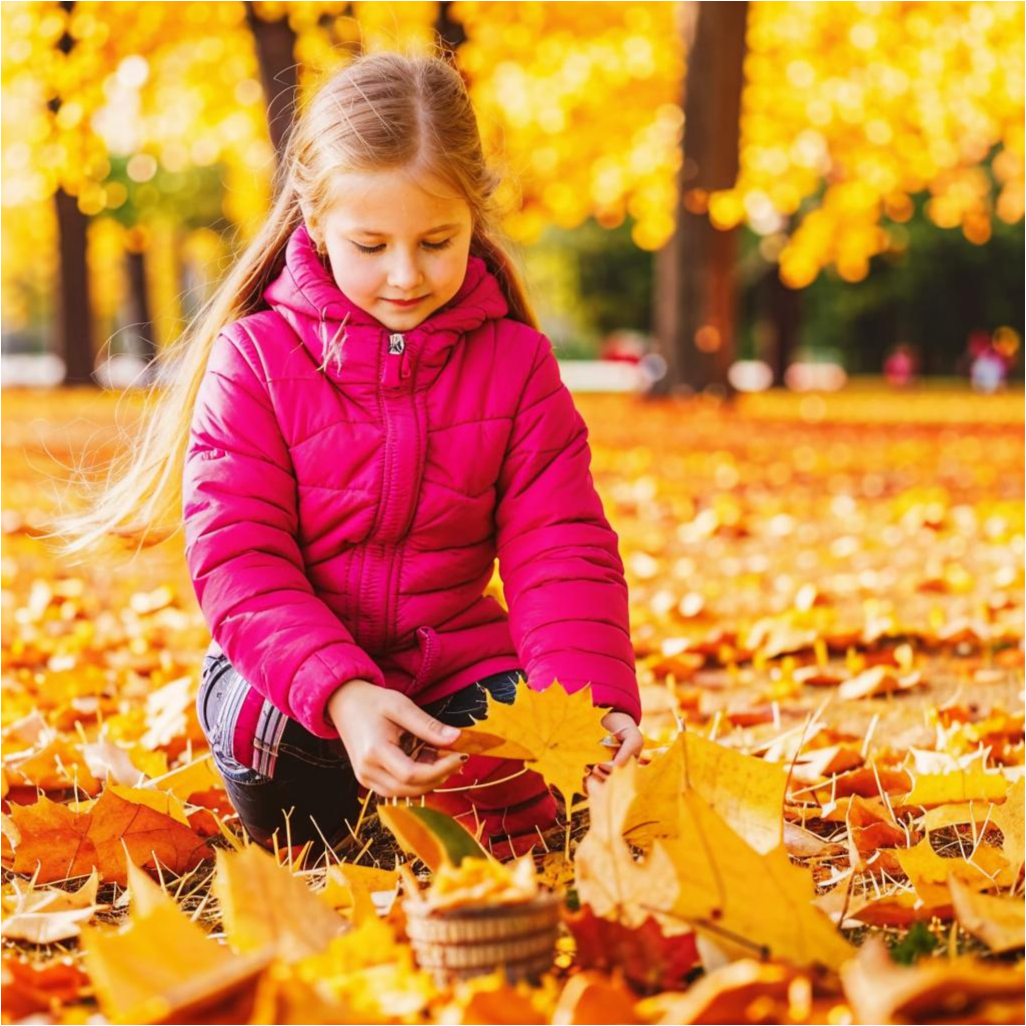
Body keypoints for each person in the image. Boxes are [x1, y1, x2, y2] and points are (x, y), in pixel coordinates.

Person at [45, 47, 643, 862]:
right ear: (317, 223)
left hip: (453, 668)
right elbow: (240, 562)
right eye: (371, 245)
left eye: (438, 240)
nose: (405, 275)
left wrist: (590, 701)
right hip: (292, 677)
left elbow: (561, 544)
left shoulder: (517, 365)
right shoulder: (254, 358)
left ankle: (480, 828)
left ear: (476, 218)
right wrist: (346, 693)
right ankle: (332, 834)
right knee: (267, 732)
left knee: (521, 749)